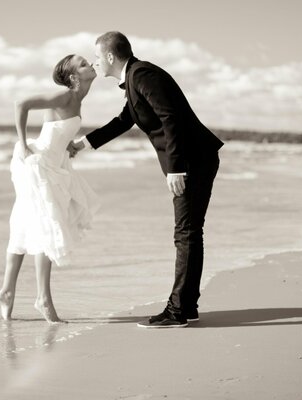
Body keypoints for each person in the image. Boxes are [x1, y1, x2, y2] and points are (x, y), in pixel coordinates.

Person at [70, 31, 224, 328]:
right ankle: (187, 305)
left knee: (186, 233)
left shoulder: (143, 75)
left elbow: (171, 118)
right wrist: (82, 144)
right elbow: (123, 121)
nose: (96, 62)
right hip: (195, 159)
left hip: (193, 161)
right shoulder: (135, 79)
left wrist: (177, 168)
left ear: (111, 57)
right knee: (189, 232)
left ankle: (177, 310)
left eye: (98, 57)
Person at [0, 54, 100, 324]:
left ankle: (7, 290)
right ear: (74, 76)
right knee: (47, 227)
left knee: (25, 223)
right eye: (84, 63)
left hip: (55, 164)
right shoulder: (64, 96)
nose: (91, 64)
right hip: (39, 166)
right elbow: (22, 104)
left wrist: (67, 145)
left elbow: (56, 129)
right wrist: (23, 144)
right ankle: (43, 299)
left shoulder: (78, 100)